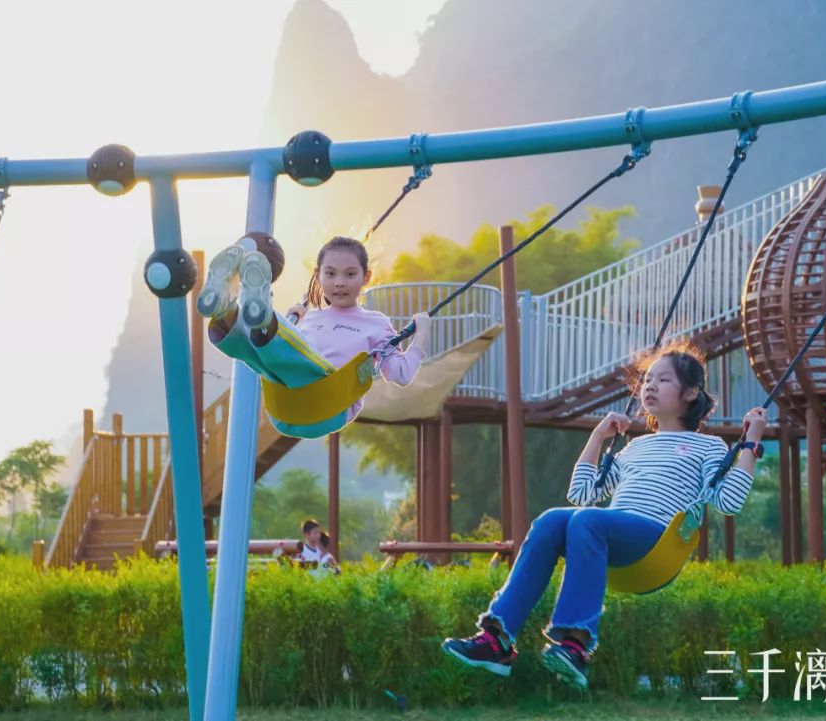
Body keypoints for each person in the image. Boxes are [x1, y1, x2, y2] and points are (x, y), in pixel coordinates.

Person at [441, 342, 766, 689]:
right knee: (551, 520)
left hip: (657, 542)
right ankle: (496, 641)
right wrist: (598, 437)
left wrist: (750, 444)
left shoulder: (709, 446)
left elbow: (729, 501)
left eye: (663, 380)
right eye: (647, 380)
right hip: (612, 534)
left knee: (587, 520)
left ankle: (576, 643)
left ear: (690, 392)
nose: (650, 386)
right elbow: (582, 493)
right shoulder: (635, 447)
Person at [197, 234, 430, 438]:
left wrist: (421, 332)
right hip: (284, 409)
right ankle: (227, 311)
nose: (340, 282)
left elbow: (401, 374)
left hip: (329, 405)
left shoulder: (375, 323)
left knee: (288, 353)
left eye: (350, 274)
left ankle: (263, 315)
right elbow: (285, 359)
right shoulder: (310, 317)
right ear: (318, 276)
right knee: (260, 356)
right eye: (331, 274)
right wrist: (292, 322)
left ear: (366, 277)